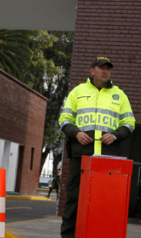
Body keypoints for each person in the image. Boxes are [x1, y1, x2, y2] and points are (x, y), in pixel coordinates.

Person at [58, 56, 136, 238]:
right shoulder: (77, 92)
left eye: (108, 69)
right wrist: (76, 133)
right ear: (92, 71)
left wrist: (115, 135)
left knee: (104, 203)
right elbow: (64, 119)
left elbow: (130, 123)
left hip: (107, 158)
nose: (105, 71)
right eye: (101, 68)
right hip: (81, 156)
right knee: (74, 201)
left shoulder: (119, 95)